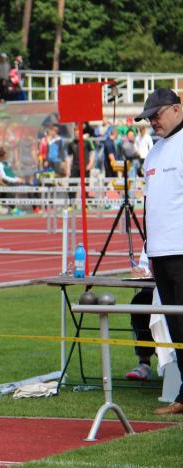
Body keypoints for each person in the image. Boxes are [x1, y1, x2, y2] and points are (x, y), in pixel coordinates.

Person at [134, 88, 183, 415]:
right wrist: (148, 252)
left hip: (181, 250)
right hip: (160, 253)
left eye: (157, 114)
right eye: (148, 117)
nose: (152, 121)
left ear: (177, 109)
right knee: (176, 328)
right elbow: (152, 206)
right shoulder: (153, 152)